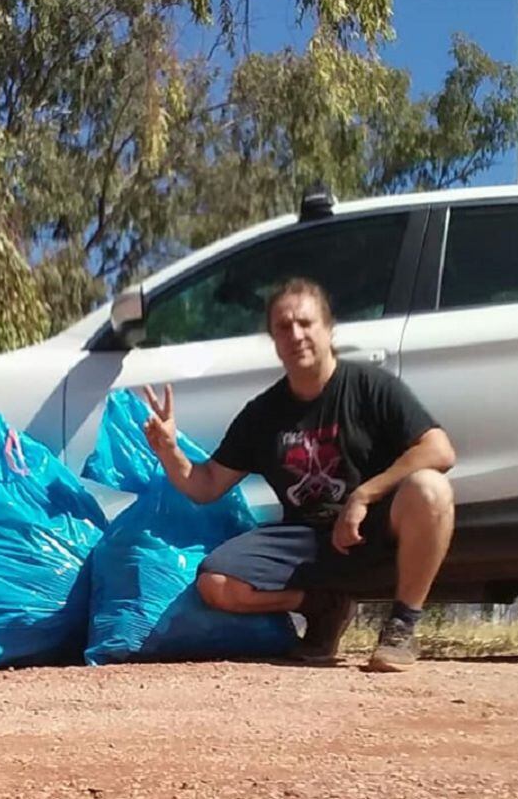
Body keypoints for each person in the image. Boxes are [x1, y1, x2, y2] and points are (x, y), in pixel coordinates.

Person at [142, 277, 455, 671]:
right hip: (305, 539)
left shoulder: (369, 386)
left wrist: (363, 495)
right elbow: (205, 486)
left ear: (328, 329)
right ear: (274, 339)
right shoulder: (263, 413)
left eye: (305, 323)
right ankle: (324, 607)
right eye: (283, 327)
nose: (295, 335)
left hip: (371, 529)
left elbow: (439, 450)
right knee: (216, 583)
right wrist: (169, 450)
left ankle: (402, 627)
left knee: (431, 488)